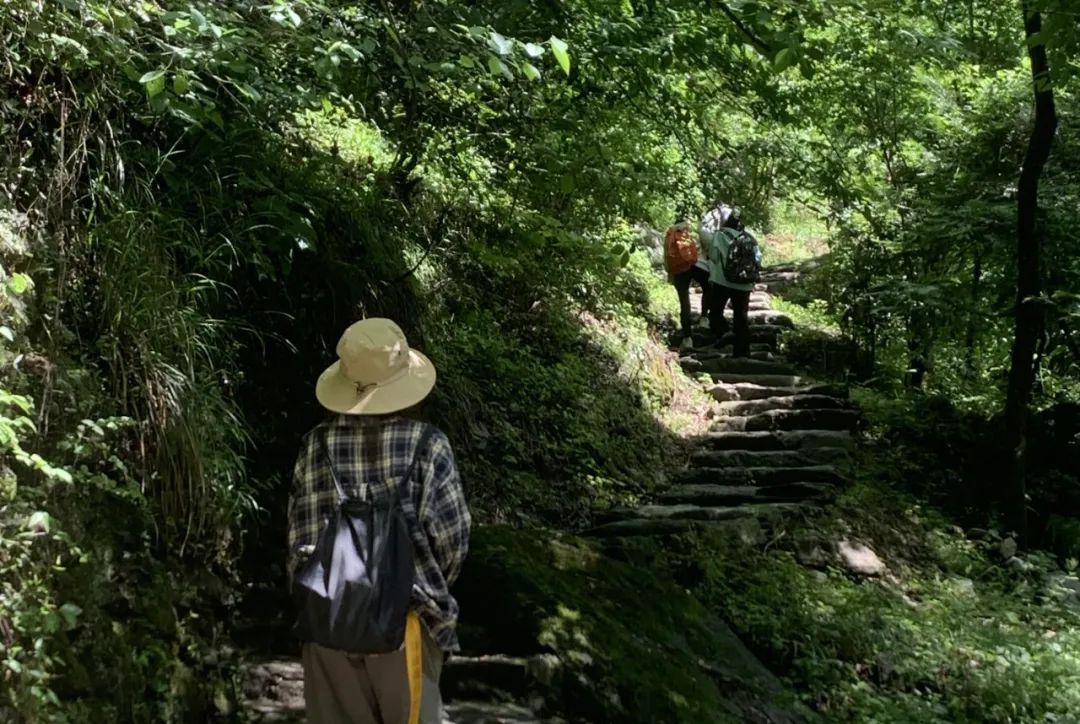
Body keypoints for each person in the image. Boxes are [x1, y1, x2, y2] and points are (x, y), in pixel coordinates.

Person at [287, 318, 471, 724]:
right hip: (404, 624)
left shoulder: (315, 445)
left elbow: (300, 541)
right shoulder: (428, 445)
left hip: (328, 625)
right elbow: (452, 540)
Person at [705, 209, 757, 358]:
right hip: (744, 283)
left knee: (715, 313)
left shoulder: (720, 235)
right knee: (741, 317)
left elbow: (714, 257)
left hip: (722, 281)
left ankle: (726, 333)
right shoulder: (749, 238)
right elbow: (757, 259)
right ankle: (742, 352)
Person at [666, 211, 712, 351]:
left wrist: (670, 273)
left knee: (684, 301)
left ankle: (687, 337)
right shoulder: (693, 231)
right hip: (697, 265)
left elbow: (666, 257)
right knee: (707, 286)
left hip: (679, 270)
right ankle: (704, 317)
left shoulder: (670, 234)